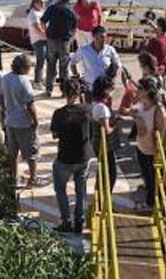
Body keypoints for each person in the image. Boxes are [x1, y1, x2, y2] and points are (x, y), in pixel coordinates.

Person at [50, 79, 91, 233]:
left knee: (60, 189)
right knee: (81, 191)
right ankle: (79, 221)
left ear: (63, 92)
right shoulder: (86, 111)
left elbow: (55, 134)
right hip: (83, 157)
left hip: (65, 158)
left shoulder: (59, 114)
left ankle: (66, 221)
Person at [0, 54, 40, 187]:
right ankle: (33, 179)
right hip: (24, 123)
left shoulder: (4, 78)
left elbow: (1, 98)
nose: (29, 69)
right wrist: (35, 121)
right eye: (28, 67)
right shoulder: (23, 81)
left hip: (10, 122)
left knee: (13, 152)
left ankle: (14, 178)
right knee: (31, 152)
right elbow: (30, 105)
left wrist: (5, 113)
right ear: (23, 68)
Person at [131, 85, 166, 212]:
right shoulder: (143, 104)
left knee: (155, 180)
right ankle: (152, 200)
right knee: (148, 178)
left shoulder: (158, 109)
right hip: (142, 148)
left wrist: (157, 152)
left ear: (147, 91)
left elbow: (161, 133)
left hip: (152, 151)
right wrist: (136, 118)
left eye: (140, 89)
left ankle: (154, 205)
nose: (137, 91)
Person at [40, 0, 77, 97]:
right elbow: (75, 27)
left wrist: (46, 32)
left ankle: (49, 89)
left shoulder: (52, 8)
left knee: (51, 65)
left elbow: (43, 21)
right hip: (65, 41)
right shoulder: (70, 10)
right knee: (64, 66)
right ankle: (64, 91)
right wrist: (71, 38)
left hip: (51, 40)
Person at [68, 25, 121, 99]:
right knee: (89, 110)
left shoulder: (110, 50)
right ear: (94, 37)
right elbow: (73, 62)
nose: (104, 40)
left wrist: (113, 78)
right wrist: (77, 76)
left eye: (105, 37)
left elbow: (118, 66)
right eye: (101, 37)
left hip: (105, 90)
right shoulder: (84, 50)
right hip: (90, 89)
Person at [90, 76, 119, 192]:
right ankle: (104, 202)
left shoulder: (96, 104)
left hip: (100, 146)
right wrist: (117, 125)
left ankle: (102, 201)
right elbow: (107, 130)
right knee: (110, 175)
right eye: (111, 89)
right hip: (104, 147)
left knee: (103, 173)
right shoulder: (102, 109)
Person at [26, 0, 49, 89]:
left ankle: (41, 78)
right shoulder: (33, 14)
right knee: (40, 61)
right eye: (41, 2)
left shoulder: (41, 12)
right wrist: (48, 37)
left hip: (44, 39)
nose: (43, 4)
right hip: (38, 40)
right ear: (35, 3)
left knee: (46, 60)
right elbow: (37, 28)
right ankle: (37, 81)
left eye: (44, 2)